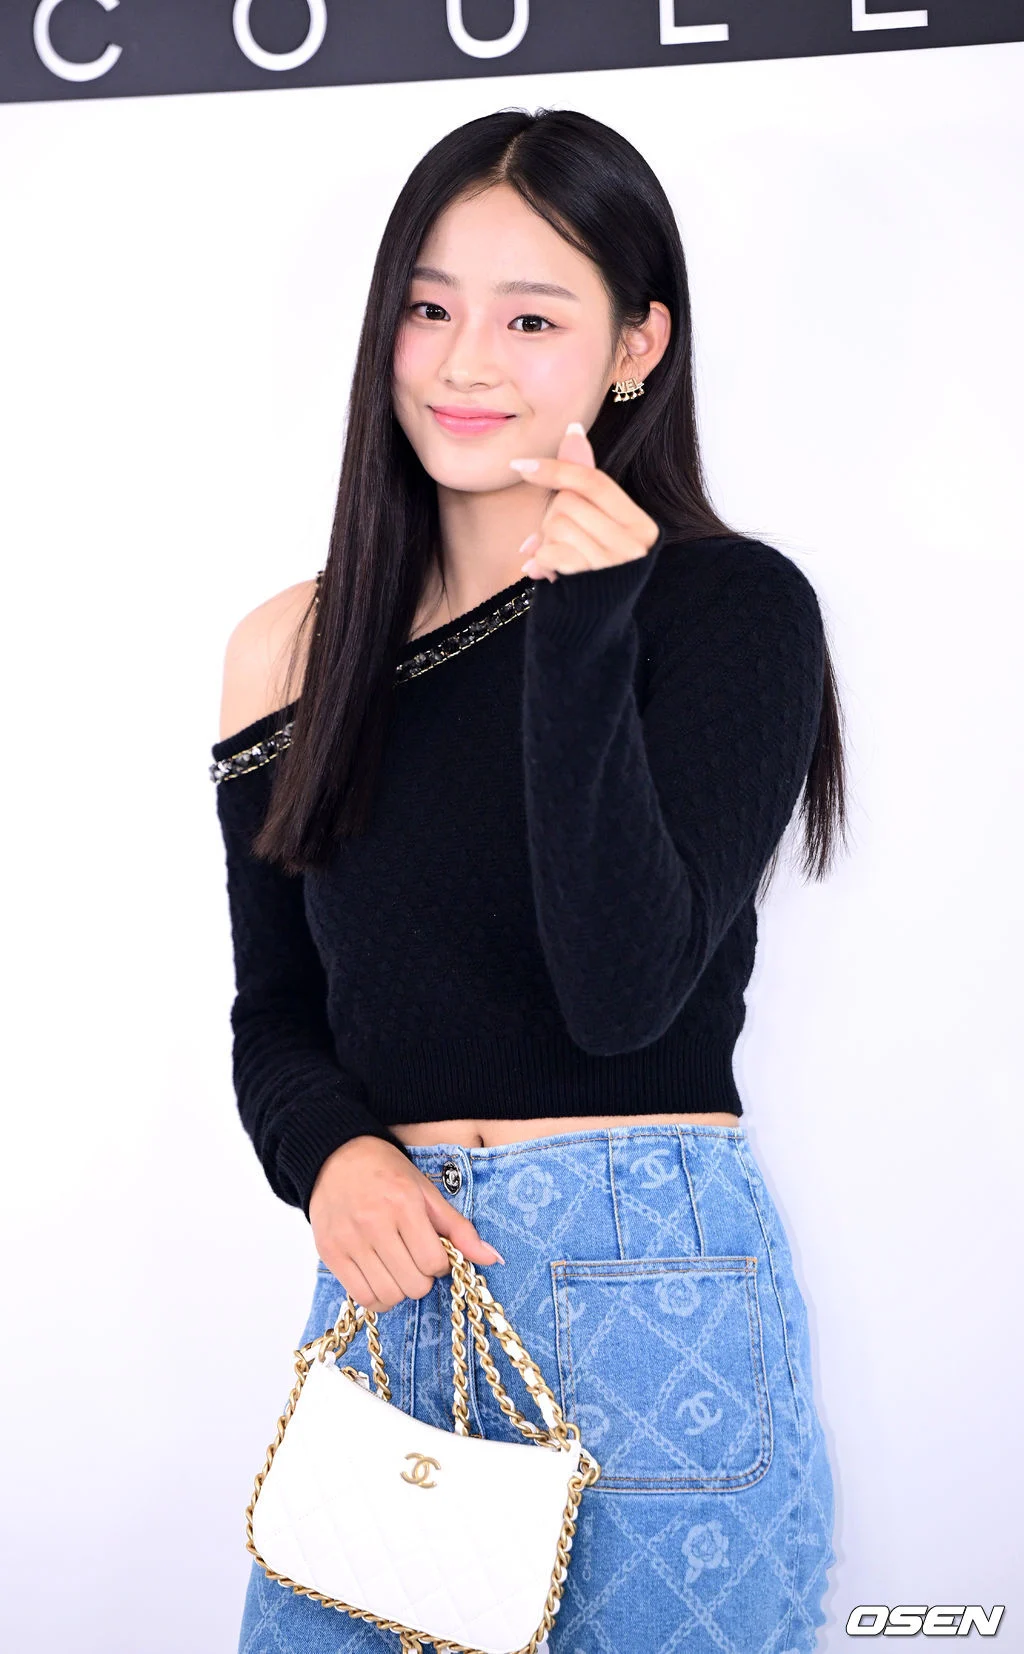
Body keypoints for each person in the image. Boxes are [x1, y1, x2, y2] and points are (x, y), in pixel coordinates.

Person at [211, 107, 846, 1654]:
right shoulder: (292, 647)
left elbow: (623, 994)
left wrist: (583, 622)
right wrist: (334, 1155)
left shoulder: (730, 607)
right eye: (428, 308)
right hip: (391, 1292)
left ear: (637, 346)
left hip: (652, 1288)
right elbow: (277, 1010)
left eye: (532, 319)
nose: (464, 362)